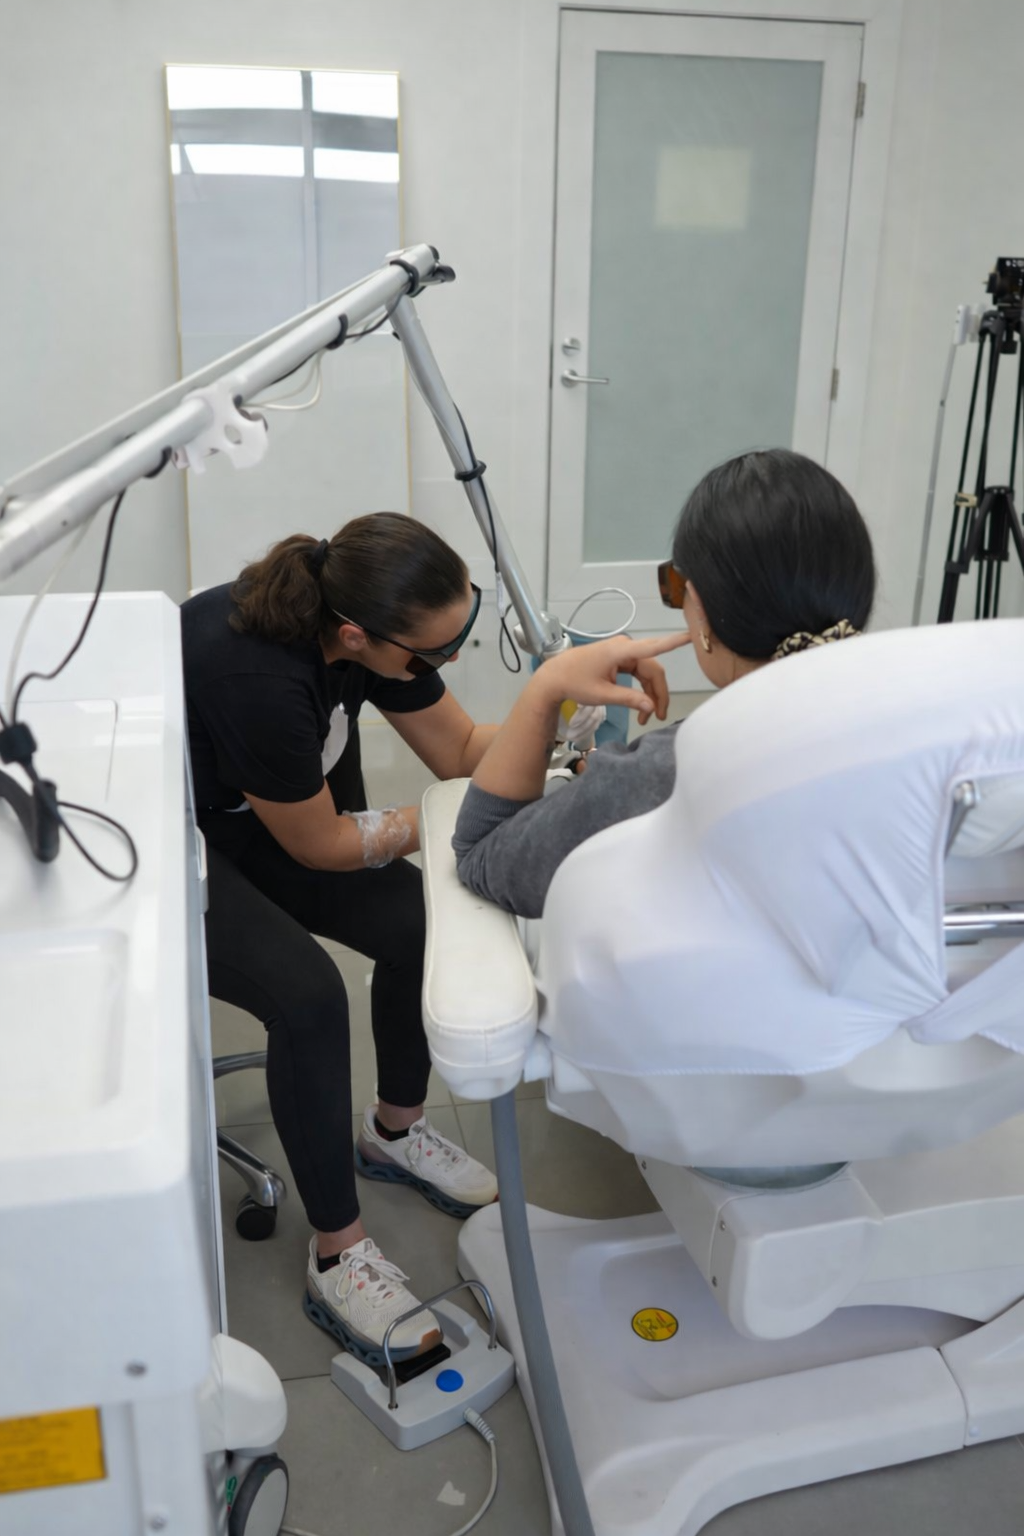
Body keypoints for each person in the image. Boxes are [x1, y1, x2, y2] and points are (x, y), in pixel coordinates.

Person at [181, 512, 499, 1366]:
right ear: (356, 634)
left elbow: (464, 749)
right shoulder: (256, 674)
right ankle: (338, 1253)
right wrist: (447, 818)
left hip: (274, 815)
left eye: (459, 634)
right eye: (430, 653)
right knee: (307, 996)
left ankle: (391, 1135)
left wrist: (563, 733)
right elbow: (321, 845)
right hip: (182, 840)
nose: (446, 663)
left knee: (420, 922)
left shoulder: (370, 626)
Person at [453, 449, 876, 917]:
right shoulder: (914, 723)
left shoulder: (674, 772)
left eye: (675, 586)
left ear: (699, 607)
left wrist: (547, 684)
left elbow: (480, 853)